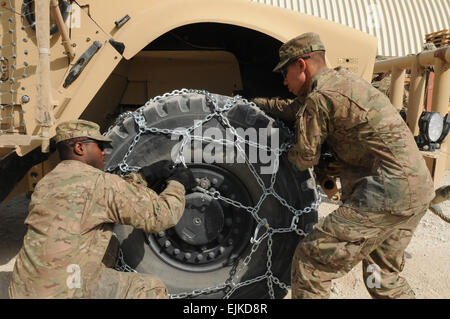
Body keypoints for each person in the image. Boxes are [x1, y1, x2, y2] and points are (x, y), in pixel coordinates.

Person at [252, 32, 435, 299]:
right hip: (416, 191)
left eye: (286, 72)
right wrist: (254, 104)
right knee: (382, 278)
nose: (284, 80)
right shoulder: (342, 82)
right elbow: (294, 108)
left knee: (310, 262)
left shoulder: (320, 98)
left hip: (386, 193)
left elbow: (304, 159)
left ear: (301, 65)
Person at [8, 119, 196, 299]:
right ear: (80, 147)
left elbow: (99, 198)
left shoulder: (47, 183)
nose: (104, 152)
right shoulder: (100, 184)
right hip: (65, 292)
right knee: (150, 288)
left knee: (110, 247)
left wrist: (143, 177)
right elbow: (161, 216)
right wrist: (178, 184)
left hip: (23, 289)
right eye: (99, 146)